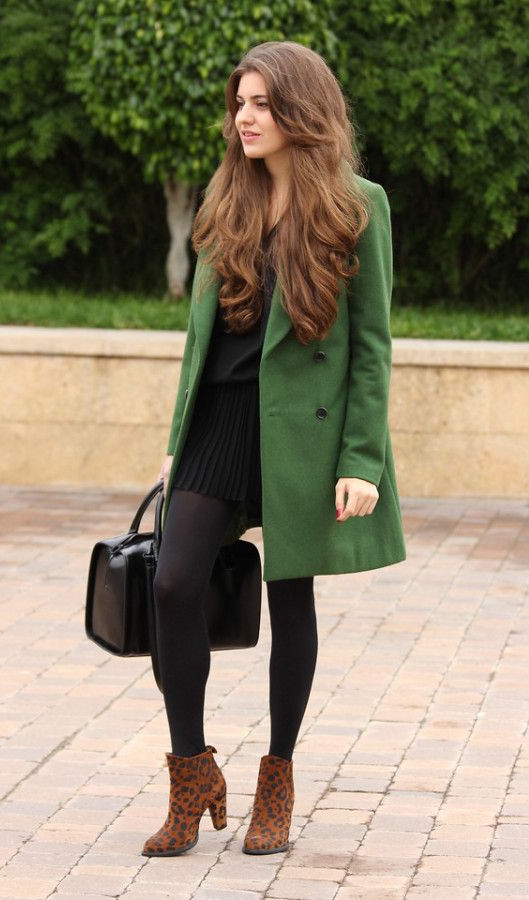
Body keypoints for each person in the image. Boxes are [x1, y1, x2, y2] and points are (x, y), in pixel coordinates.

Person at [142, 40, 406, 859]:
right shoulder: (229, 197)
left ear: (300, 110)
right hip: (221, 422)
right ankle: (192, 774)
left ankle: (277, 783)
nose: (244, 117)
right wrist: (177, 443)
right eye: (240, 103)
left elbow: (373, 346)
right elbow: (201, 340)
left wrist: (361, 459)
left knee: (291, 600)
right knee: (173, 583)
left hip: (304, 431)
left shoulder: (359, 205)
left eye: (261, 103)